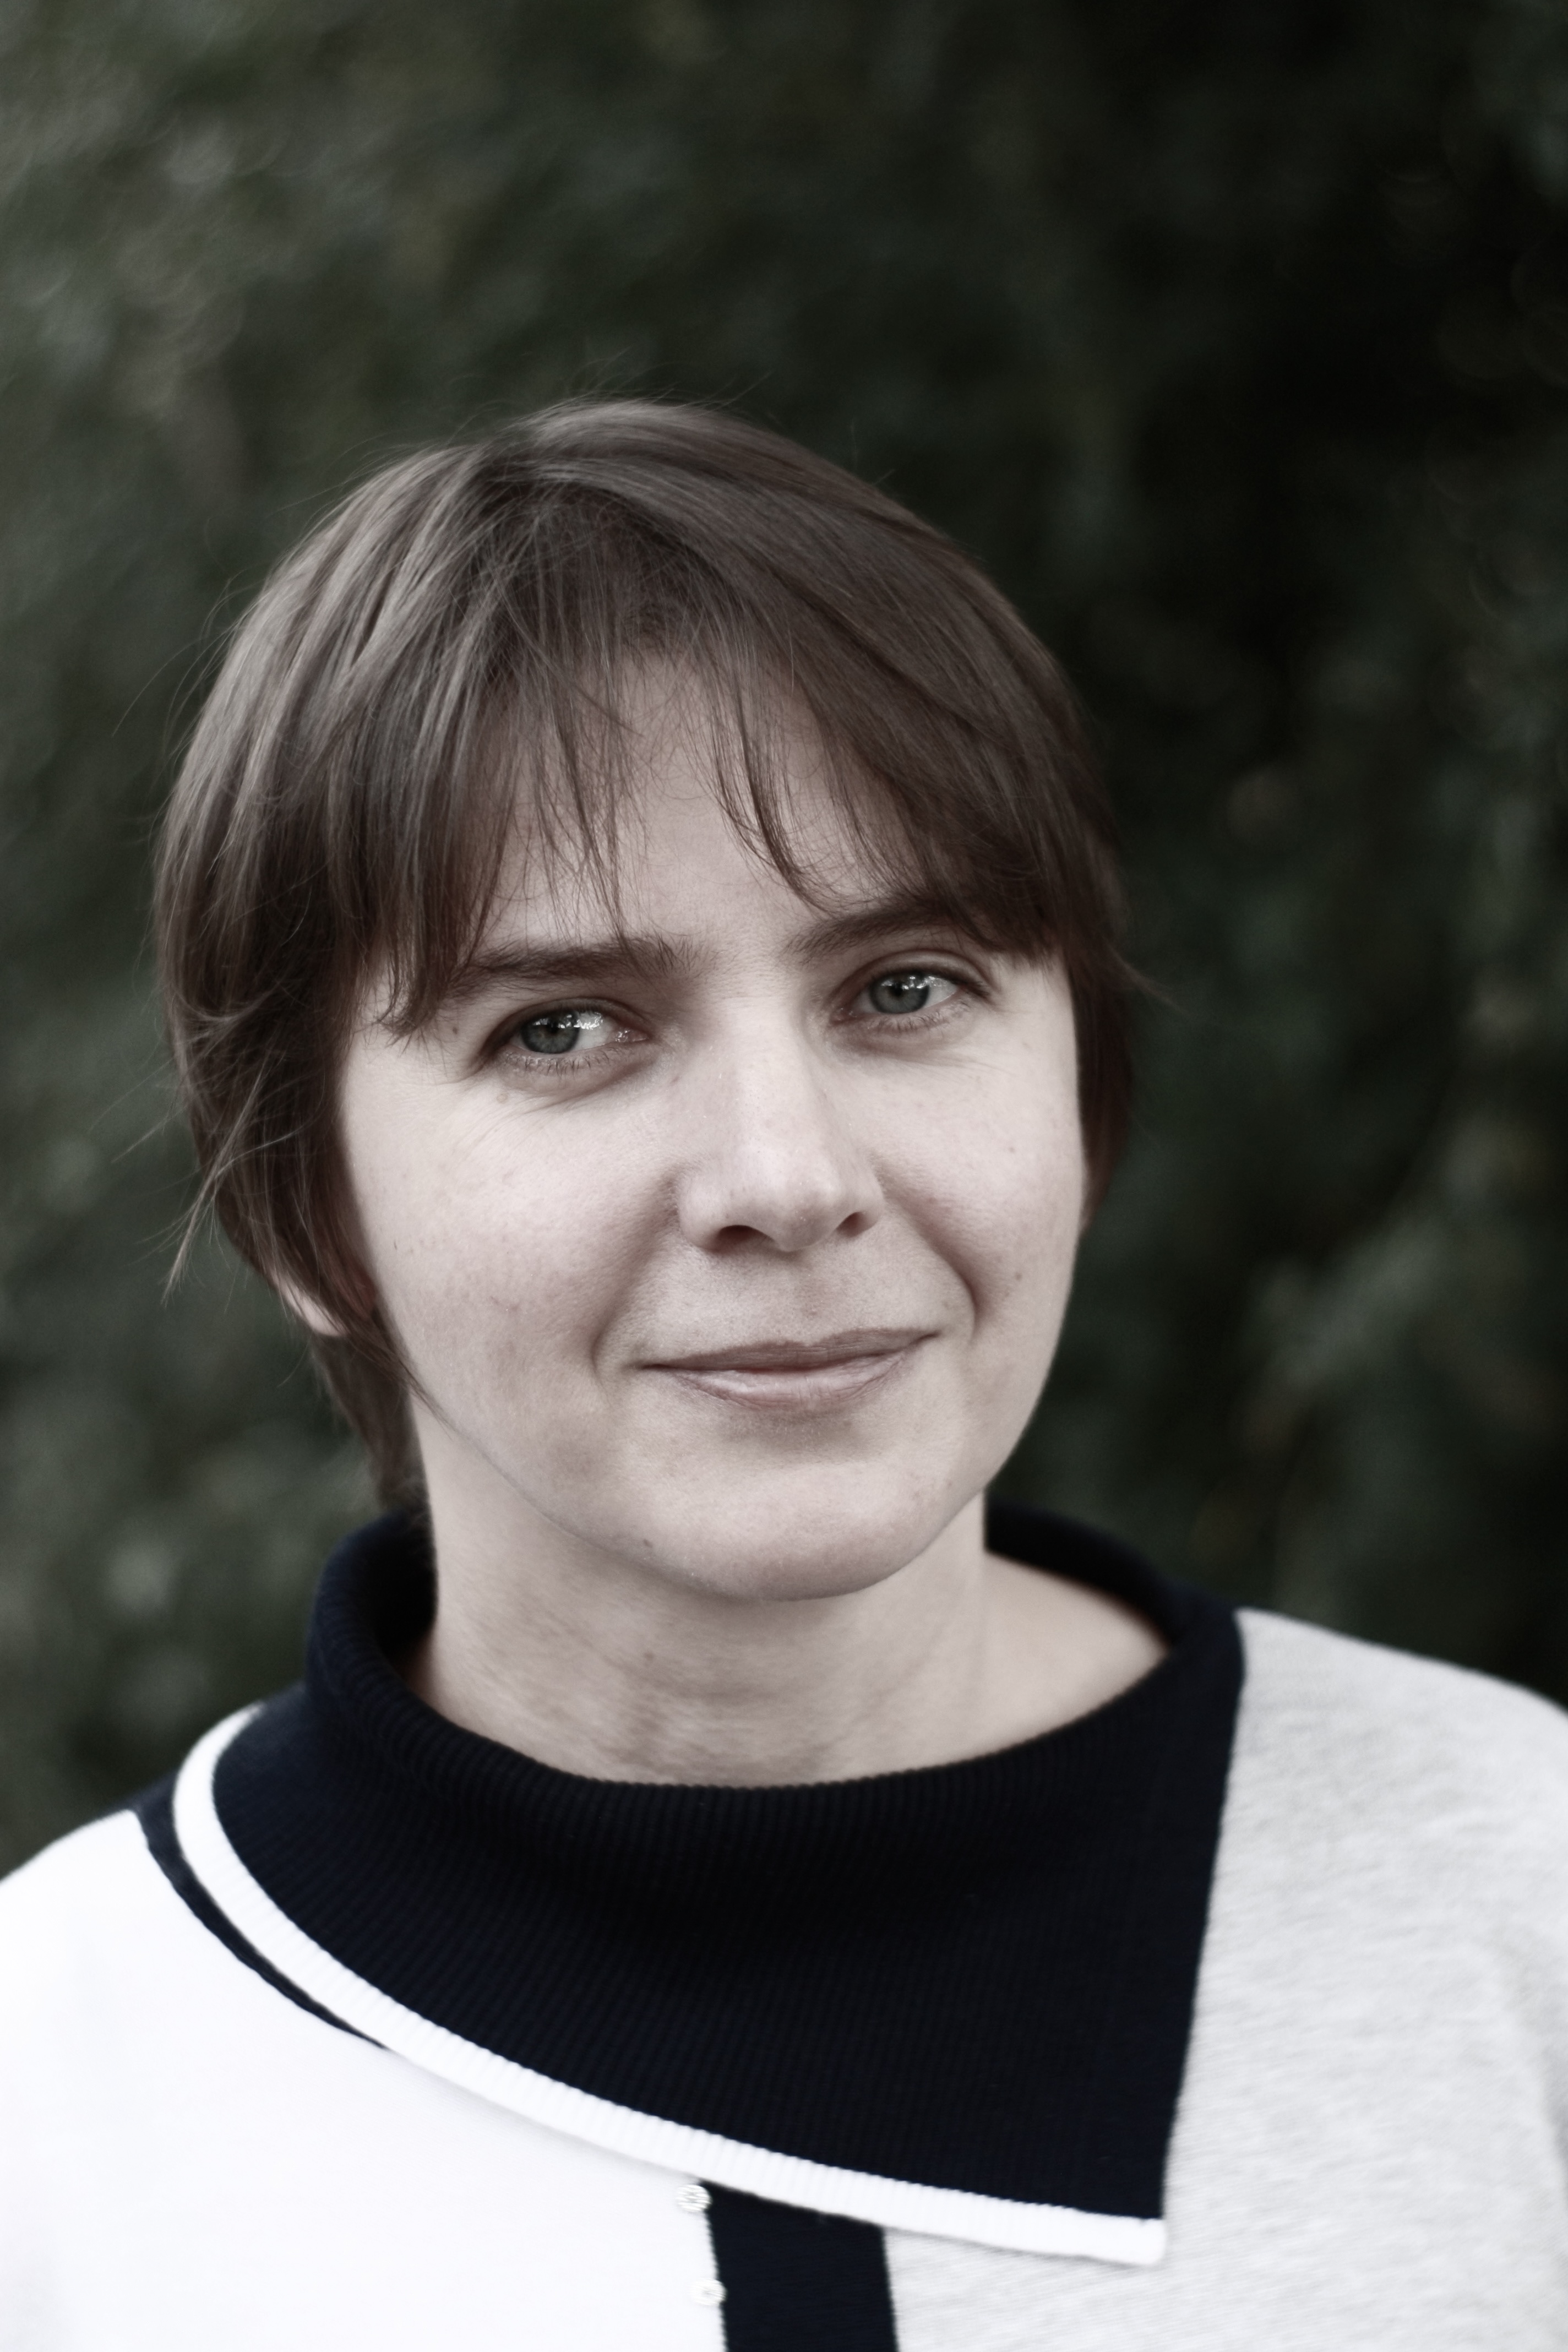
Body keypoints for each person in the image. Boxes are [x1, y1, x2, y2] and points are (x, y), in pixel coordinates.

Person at [2, 402, 1565, 2352]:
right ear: (305, 1209)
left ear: (1083, 1101)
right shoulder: (55, 2105)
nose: (789, 1175)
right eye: (564, 1027)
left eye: (904, 990)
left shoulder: (1524, 1897)